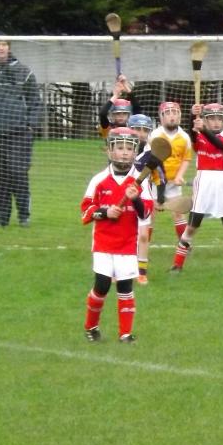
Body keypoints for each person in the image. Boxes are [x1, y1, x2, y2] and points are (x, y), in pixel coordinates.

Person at [81, 127, 153, 343]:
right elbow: (85, 210)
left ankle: (125, 334)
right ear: (109, 151)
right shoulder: (99, 180)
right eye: (119, 148)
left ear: (135, 152)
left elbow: (146, 212)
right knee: (102, 286)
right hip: (103, 243)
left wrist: (136, 198)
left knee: (125, 287)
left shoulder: (141, 181)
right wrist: (105, 212)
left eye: (129, 149)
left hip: (127, 244)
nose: (124, 152)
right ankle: (91, 326)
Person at [170, 103, 223, 273]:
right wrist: (193, 116)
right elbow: (192, 137)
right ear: (205, 119)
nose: (215, 122)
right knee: (192, 226)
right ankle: (177, 264)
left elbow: (219, 146)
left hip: (222, 183)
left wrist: (203, 129)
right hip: (204, 182)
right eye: (211, 119)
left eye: (219, 119)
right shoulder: (199, 137)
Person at [0, 34, 43, 228]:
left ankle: (24, 216)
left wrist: (31, 124)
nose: (1, 48)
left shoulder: (23, 71)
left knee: (18, 173)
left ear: (9, 48)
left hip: (19, 133)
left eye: (4, 44)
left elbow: (35, 101)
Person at [150, 101, 193, 239]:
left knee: (179, 213)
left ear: (179, 116)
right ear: (161, 117)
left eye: (175, 113)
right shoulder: (155, 135)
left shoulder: (185, 137)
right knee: (150, 213)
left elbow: (186, 159)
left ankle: (184, 244)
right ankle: (142, 244)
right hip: (155, 182)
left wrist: (180, 175)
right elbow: (150, 160)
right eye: (167, 113)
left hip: (174, 183)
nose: (172, 116)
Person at [127, 114, 160, 285]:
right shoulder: (122, 148)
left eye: (144, 130)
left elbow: (158, 176)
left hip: (143, 194)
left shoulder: (150, 154)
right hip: (124, 192)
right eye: (136, 129)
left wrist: (159, 198)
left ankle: (141, 272)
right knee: (124, 232)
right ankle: (119, 270)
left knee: (143, 235)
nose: (140, 133)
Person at [98, 74, 139, 138]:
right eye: (118, 113)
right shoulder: (108, 128)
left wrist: (125, 85)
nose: (121, 116)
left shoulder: (132, 127)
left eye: (124, 113)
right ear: (113, 115)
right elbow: (102, 114)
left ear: (128, 115)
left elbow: (137, 108)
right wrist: (115, 96)